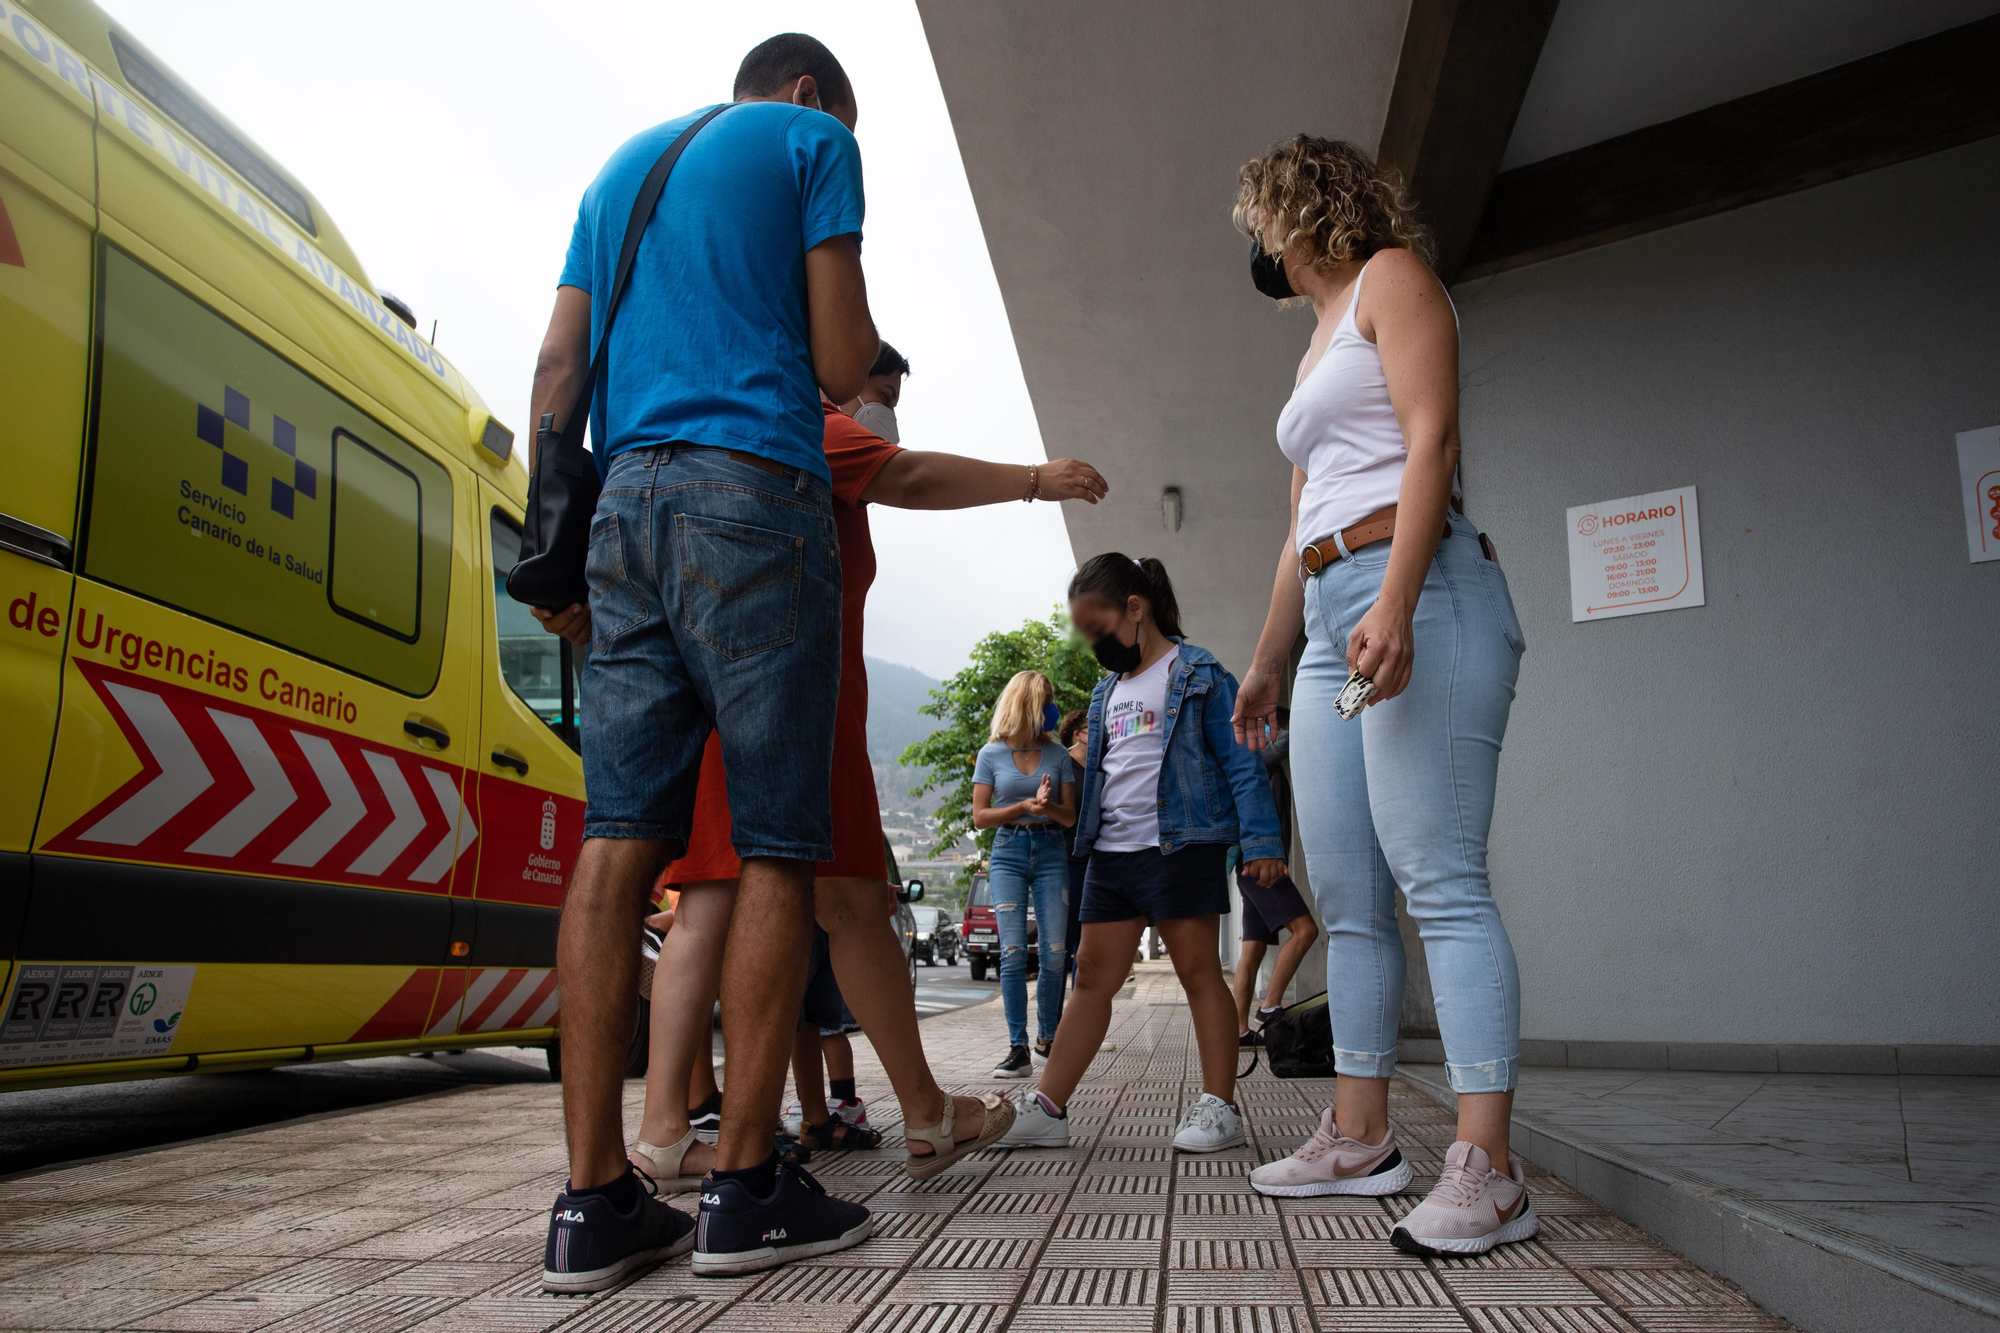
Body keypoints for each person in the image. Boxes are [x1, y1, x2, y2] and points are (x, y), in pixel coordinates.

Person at [527, 33, 883, 1288]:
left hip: (621, 507)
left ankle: (591, 1204)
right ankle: (742, 1187)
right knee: (780, 838)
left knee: (620, 836)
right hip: (753, 493)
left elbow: (559, 372)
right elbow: (842, 365)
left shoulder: (617, 171)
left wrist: (553, 554)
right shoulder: (810, 141)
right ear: (807, 94)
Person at [626, 342, 1108, 1228]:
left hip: (733, 694)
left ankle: (668, 1129)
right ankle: (912, 1113)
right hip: (798, 697)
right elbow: (911, 474)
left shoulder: (735, 425)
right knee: (845, 902)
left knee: (714, 897)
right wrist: (1038, 479)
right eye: (879, 388)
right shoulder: (811, 425)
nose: (883, 406)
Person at [1229, 136, 1533, 1256]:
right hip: (1324, 625)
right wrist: (1267, 659)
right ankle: (1359, 1136)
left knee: (1439, 876)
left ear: (1295, 207)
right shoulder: (1311, 352)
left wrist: (1394, 602)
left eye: (1257, 213)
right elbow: (1292, 528)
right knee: (1348, 894)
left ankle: (1488, 1165)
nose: (1253, 237)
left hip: (1418, 591)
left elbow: (1430, 440)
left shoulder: (1391, 279)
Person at [1001, 556, 1287, 1153]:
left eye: (1099, 628)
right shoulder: (1107, 692)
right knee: (1091, 981)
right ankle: (1050, 1109)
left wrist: (1261, 842)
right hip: (1111, 852)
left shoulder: (1199, 672)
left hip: (1178, 845)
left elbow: (1241, 763)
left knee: (1199, 974)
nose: (1094, 643)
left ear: (1136, 607)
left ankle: (1219, 1110)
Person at [972, 672, 1078, 1076]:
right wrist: (1022, 808)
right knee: (1014, 952)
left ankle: (1046, 1040)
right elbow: (981, 817)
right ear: (1027, 704)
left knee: (1054, 954)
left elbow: (1068, 817)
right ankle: (1017, 1048)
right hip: (1008, 852)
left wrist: (1047, 807)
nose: (1053, 706)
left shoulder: (1058, 754)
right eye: (1047, 699)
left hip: (1051, 849)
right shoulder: (991, 754)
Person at [1228, 707, 1318, 1043]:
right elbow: (1289, 742)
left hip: (1249, 866)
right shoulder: (1255, 754)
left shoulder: (1264, 762)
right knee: (1305, 930)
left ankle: (1238, 1032)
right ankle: (1270, 1006)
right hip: (1260, 866)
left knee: (1251, 951)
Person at [1056, 708, 1089, 992]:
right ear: (1077, 734)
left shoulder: (1103, 766)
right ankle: (1051, 1031)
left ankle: (1079, 1027)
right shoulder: (1062, 766)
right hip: (1066, 863)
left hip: (1097, 863)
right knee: (1061, 948)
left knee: (1088, 951)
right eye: (1093, 727)